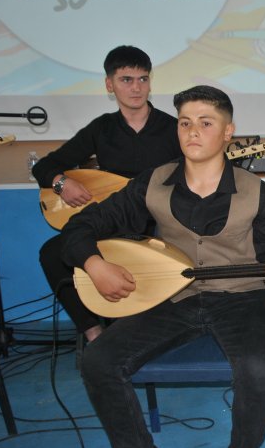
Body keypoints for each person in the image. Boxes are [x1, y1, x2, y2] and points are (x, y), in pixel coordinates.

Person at [59, 85, 265, 448]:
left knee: (260, 371)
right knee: (98, 361)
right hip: (173, 298)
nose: (192, 131)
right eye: (184, 122)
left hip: (242, 299)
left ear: (227, 132)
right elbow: (79, 227)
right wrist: (94, 264)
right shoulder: (151, 182)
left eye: (206, 123)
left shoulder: (257, 191)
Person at [33, 45, 181, 342]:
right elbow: (45, 167)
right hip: (112, 220)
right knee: (52, 253)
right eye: (126, 79)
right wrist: (62, 183)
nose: (136, 87)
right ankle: (93, 332)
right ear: (109, 85)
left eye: (143, 79)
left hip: (160, 223)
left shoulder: (174, 128)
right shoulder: (102, 128)